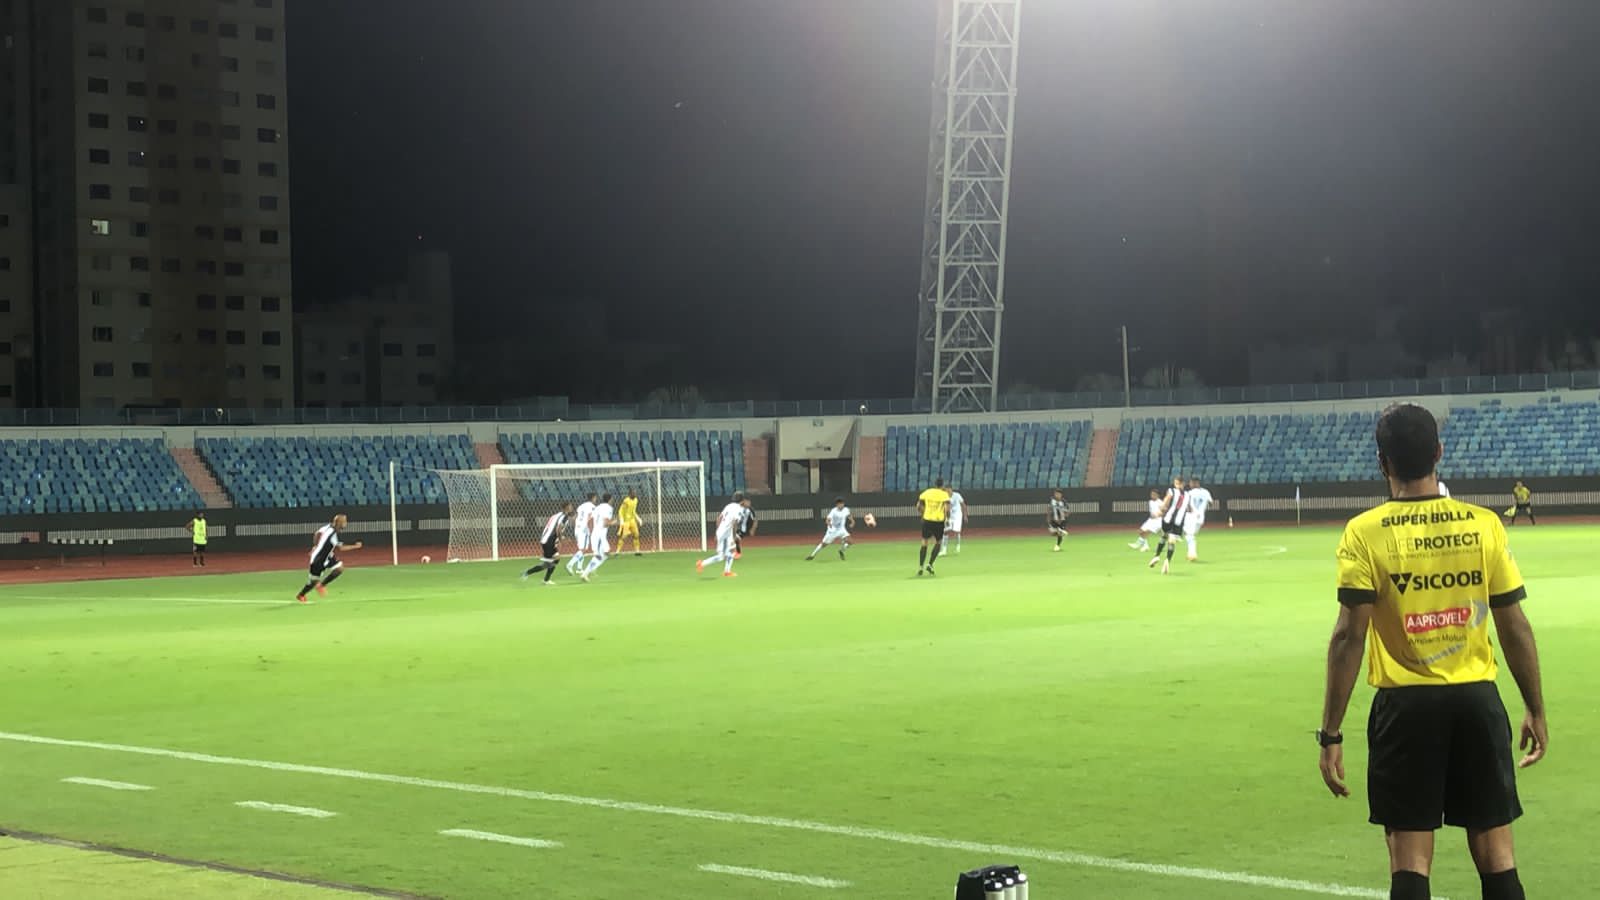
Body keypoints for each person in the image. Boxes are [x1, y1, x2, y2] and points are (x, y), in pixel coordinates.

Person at [1319, 403, 1547, 900]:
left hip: (1406, 710)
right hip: (1477, 703)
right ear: (1439, 453)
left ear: (1383, 463)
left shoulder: (1364, 532)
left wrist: (1330, 732)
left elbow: (1347, 637)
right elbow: (1514, 624)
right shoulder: (1483, 524)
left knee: (1409, 861)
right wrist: (1535, 706)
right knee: (1497, 856)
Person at [296, 514, 363, 602]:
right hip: (318, 560)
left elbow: (317, 533)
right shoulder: (332, 535)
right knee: (313, 581)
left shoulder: (327, 527)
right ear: (339, 522)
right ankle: (301, 595)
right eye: (344, 521)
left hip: (327, 556)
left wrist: (315, 545)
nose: (346, 523)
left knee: (339, 568)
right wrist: (356, 546)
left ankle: (321, 585)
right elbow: (341, 548)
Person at [522, 501, 575, 585]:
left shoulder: (556, 515)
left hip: (546, 539)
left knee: (553, 561)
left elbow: (552, 528)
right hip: (549, 541)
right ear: (567, 507)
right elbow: (558, 529)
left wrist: (559, 539)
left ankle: (541, 578)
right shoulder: (564, 517)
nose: (572, 507)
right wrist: (561, 540)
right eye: (570, 506)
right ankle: (530, 574)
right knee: (550, 563)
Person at [697, 492, 746, 577]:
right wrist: (733, 536)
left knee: (730, 552)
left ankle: (727, 571)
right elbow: (734, 523)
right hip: (726, 534)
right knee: (721, 556)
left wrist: (718, 532)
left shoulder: (728, 506)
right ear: (742, 501)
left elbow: (719, 518)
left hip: (722, 532)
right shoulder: (739, 509)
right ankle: (702, 563)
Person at [1148, 476, 1188, 575]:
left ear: (1178, 484)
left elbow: (1166, 502)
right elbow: (1189, 508)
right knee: (1172, 541)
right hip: (1179, 521)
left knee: (1164, 536)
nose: (1176, 485)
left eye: (1176, 483)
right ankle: (1167, 561)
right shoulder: (1187, 495)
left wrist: (1159, 512)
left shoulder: (1171, 491)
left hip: (1168, 519)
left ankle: (1157, 556)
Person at [915, 477, 951, 576]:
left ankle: (920, 567)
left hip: (927, 520)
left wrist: (922, 514)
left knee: (924, 543)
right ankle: (930, 564)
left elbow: (918, 506)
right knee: (938, 542)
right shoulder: (944, 495)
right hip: (938, 521)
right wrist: (948, 519)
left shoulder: (927, 493)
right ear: (942, 485)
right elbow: (947, 509)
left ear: (935, 484)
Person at [580, 493, 615, 582]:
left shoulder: (598, 507)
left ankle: (590, 570)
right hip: (600, 535)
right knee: (599, 556)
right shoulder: (608, 508)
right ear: (610, 499)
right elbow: (606, 523)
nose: (613, 500)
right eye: (612, 499)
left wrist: (592, 530)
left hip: (596, 534)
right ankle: (586, 573)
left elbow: (590, 519)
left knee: (606, 554)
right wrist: (615, 522)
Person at [807, 497, 854, 561]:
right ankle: (812, 556)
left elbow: (848, 515)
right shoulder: (833, 511)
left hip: (841, 529)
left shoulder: (846, 509)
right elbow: (827, 519)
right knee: (824, 544)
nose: (841, 505)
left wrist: (852, 521)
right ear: (837, 505)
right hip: (832, 531)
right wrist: (829, 523)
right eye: (839, 503)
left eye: (842, 503)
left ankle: (841, 551)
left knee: (850, 542)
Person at [1183, 477, 1215, 562]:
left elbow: (1188, 506)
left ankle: (1192, 554)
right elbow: (1211, 503)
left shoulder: (1189, 493)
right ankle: (1190, 553)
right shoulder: (1206, 492)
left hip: (1191, 516)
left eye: (1191, 483)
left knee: (1188, 535)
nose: (1190, 485)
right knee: (1190, 535)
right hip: (1200, 517)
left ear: (1195, 483)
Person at [566, 492, 598, 575]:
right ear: (593, 498)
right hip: (584, 529)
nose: (596, 500)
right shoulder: (593, 507)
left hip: (578, 528)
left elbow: (575, 517)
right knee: (583, 549)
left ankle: (579, 568)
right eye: (595, 498)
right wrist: (591, 531)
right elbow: (590, 518)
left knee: (582, 549)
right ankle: (570, 564)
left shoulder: (581, 506)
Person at [617, 488, 644, 555]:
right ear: (629, 494)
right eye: (633, 493)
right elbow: (620, 511)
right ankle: (617, 551)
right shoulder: (626, 501)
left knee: (636, 535)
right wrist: (621, 520)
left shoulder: (635, 500)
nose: (635, 494)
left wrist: (638, 519)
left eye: (635, 493)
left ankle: (637, 551)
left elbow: (633, 511)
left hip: (632, 521)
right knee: (624, 536)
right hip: (626, 521)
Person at [942, 485, 967, 555]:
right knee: (945, 531)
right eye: (946, 490)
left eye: (948, 490)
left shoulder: (957, 495)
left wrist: (965, 515)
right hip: (949, 515)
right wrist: (945, 518)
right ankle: (944, 550)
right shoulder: (944, 497)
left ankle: (957, 546)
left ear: (951, 489)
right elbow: (945, 508)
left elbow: (963, 505)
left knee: (956, 531)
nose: (947, 491)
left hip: (958, 515)